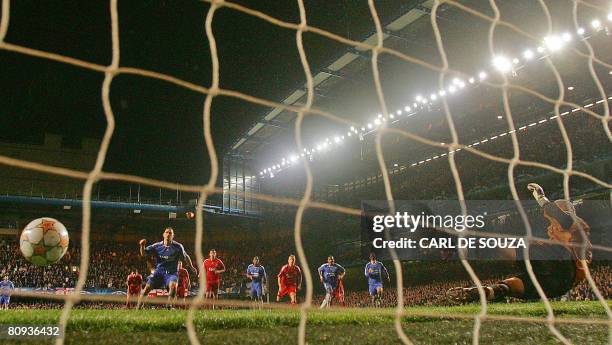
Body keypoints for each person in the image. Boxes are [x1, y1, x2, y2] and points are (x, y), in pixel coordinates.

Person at [447, 183, 592, 302]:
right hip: (560, 286)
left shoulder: (576, 225)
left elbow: (558, 215)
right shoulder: (569, 236)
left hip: (563, 266)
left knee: (520, 245)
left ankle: (473, 239)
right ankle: (489, 291)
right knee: (513, 286)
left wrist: (540, 196)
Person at [136, 227, 197, 309]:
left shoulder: (178, 246)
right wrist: (142, 246)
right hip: (159, 272)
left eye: (170, 233)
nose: (168, 234)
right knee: (146, 288)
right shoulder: (157, 246)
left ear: (173, 235)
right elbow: (143, 254)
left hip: (172, 273)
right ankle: (138, 307)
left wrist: (192, 267)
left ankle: (169, 305)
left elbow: (186, 256)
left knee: (173, 286)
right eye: (167, 232)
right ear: (163, 234)